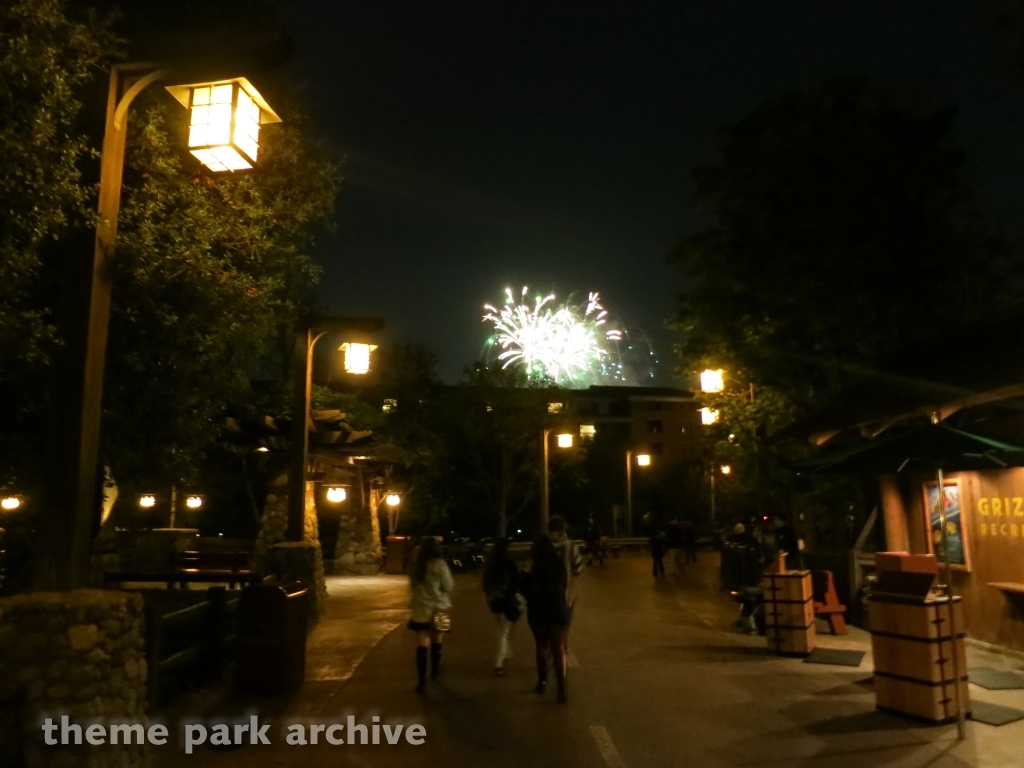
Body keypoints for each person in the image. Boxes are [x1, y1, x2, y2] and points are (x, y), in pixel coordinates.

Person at [520, 535, 571, 702]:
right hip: (557, 610)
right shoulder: (558, 564)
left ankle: (541, 681)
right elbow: (564, 585)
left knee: (541, 646)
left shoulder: (532, 566)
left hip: (538, 612)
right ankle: (561, 688)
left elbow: (524, 589)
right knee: (559, 649)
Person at [407, 537, 454, 693]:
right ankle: (435, 671)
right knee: (438, 639)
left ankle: (421, 680)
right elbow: (448, 586)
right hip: (439, 606)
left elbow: (412, 587)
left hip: (421, 607)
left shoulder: (415, 565)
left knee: (422, 642)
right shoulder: (439, 565)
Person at [481, 538, 521, 675]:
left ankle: (506, 652)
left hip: (494, 602)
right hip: (508, 602)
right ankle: (499, 662)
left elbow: (485, 585)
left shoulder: (490, 563)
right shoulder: (509, 562)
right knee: (504, 632)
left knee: (501, 629)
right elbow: (517, 581)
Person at [548, 515, 584, 604]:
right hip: (565, 597)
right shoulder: (572, 547)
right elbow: (578, 570)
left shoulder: (543, 547)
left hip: (547, 599)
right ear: (563, 530)